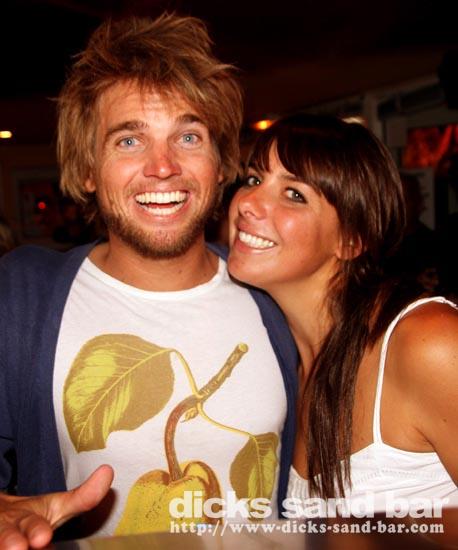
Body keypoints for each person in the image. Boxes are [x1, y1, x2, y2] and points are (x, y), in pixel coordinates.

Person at [0, 14, 298, 548]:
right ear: (87, 170)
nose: (163, 166)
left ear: (220, 163)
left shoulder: (277, 297)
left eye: (188, 136)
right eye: (129, 140)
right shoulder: (21, 297)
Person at [227, 114, 458, 515]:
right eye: (253, 179)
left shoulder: (425, 342)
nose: (248, 202)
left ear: (352, 240)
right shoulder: (289, 368)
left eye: (294, 194)